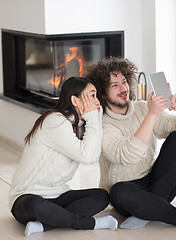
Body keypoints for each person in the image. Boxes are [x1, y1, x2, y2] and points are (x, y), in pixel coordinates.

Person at [84, 56, 176, 230]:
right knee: (118, 192)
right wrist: (151, 115)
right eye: (115, 85)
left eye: (124, 82)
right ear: (102, 94)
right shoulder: (103, 124)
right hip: (128, 193)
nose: (123, 88)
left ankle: (146, 212)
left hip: (157, 184)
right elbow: (127, 155)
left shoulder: (142, 108)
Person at [9, 76, 118, 237]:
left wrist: (94, 118)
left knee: (101, 196)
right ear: (75, 100)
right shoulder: (55, 121)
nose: (97, 102)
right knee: (36, 206)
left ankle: (46, 225)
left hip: (58, 195)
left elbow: (93, 156)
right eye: (92, 95)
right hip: (26, 197)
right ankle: (90, 223)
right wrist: (94, 118)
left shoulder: (83, 124)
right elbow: (87, 156)